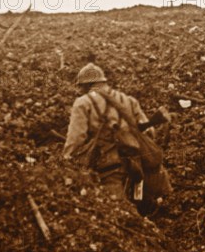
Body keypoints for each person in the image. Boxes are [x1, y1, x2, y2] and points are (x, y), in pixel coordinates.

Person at [64, 63, 154, 202]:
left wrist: (66, 160)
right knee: (136, 201)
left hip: (108, 165)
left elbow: (76, 138)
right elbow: (150, 132)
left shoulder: (83, 102)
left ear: (86, 85)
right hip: (135, 163)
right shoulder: (128, 100)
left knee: (114, 208)